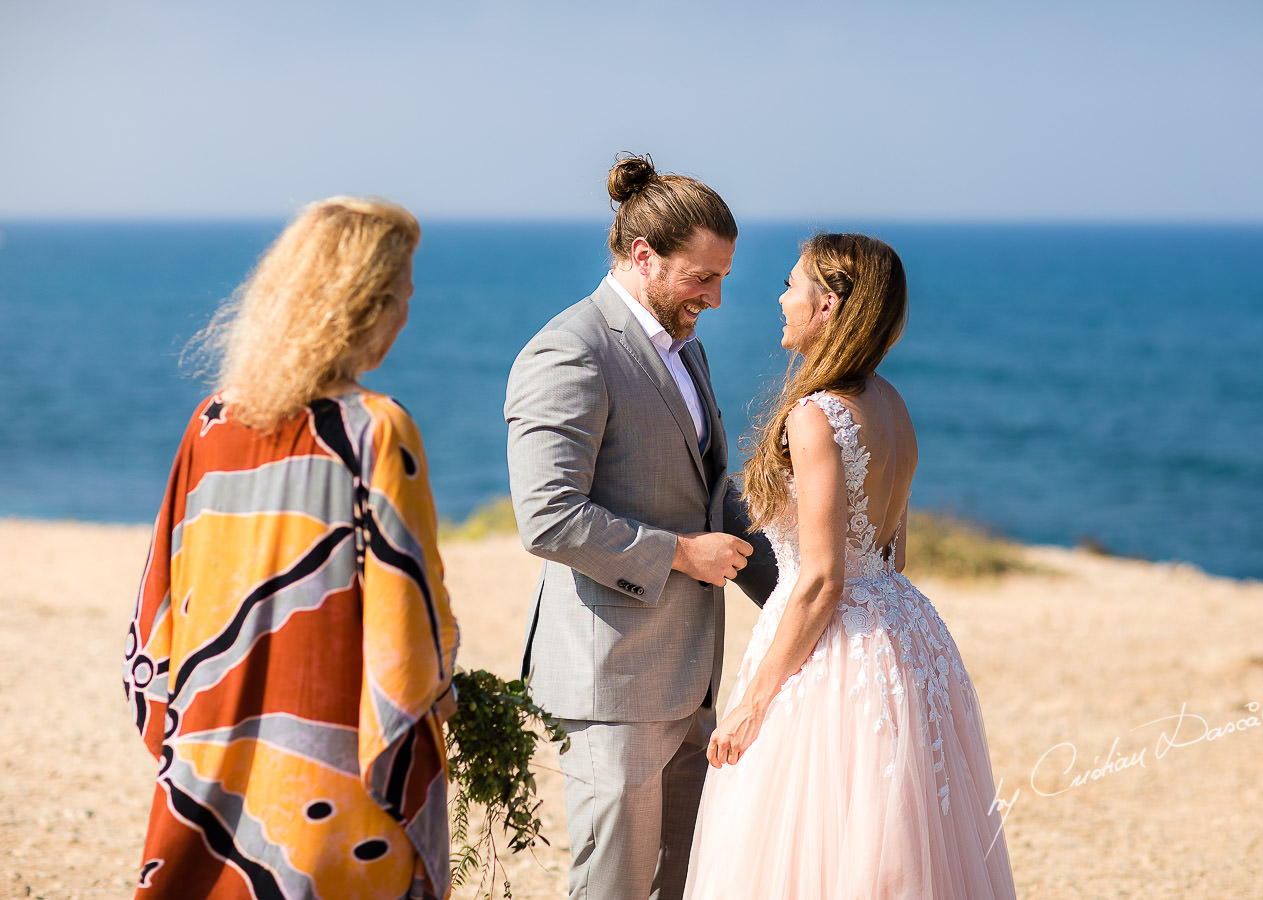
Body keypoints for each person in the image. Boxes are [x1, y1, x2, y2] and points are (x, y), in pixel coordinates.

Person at [123, 197, 460, 900]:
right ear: (363, 306)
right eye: (401, 296)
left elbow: (160, 605)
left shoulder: (211, 423)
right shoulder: (375, 430)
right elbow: (410, 615)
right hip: (334, 758)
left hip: (209, 759)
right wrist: (440, 695)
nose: (405, 314)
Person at [683, 234, 1017, 898]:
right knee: (891, 834)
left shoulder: (816, 416)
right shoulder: (892, 405)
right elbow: (892, 552)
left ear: (828, 303)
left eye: (791, 284)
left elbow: (822, 576)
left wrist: (752, 703)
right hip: (903, 635)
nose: (781, 299)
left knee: (807, 837)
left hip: (833, 648)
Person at [504, 153, 777, 900]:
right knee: (613, 889)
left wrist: (792, 594)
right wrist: (683, 554)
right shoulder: (570, 351)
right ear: (643, 256)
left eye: (723, 277)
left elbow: (709, 491)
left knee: (681, 887)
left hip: (694, 681)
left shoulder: (686, 350)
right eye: (702, 277)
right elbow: (549, 517)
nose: (717, 297)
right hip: (612, 681)